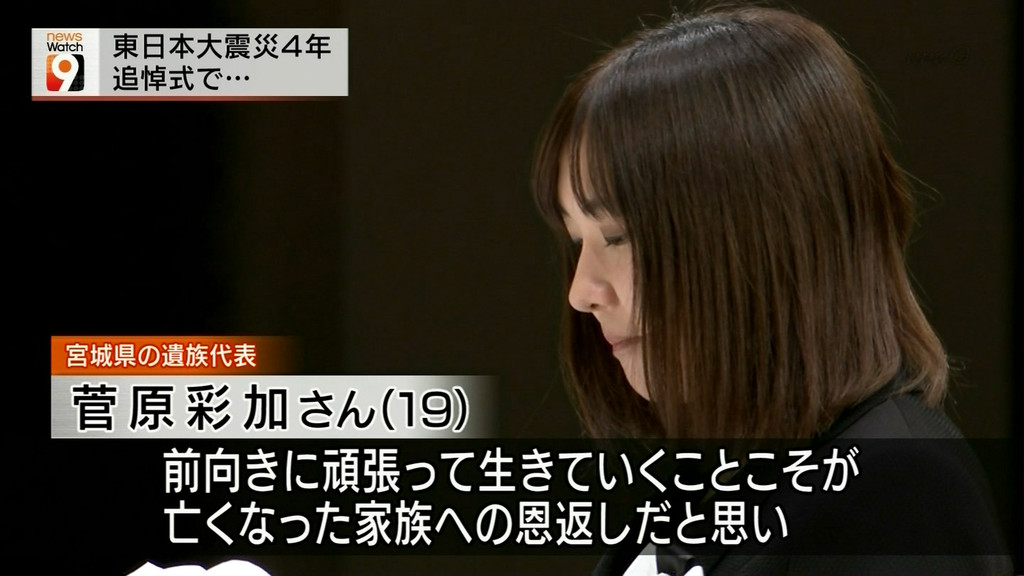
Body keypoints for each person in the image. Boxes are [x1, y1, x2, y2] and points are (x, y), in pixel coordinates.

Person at [531, 5, 1012, 575]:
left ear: (763, 233)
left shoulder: (896, 493)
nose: (582, 292)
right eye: (576, 239)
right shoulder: (716, 477)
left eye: (618, 235)